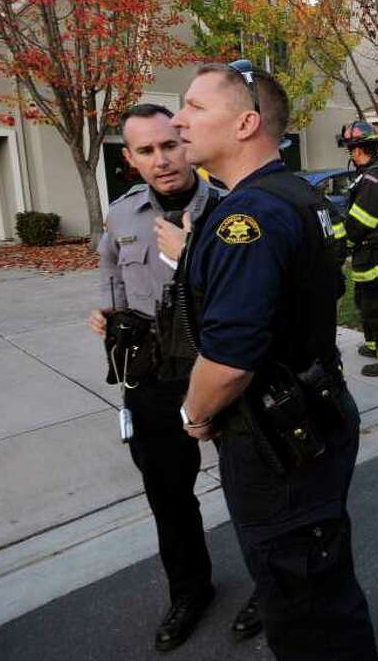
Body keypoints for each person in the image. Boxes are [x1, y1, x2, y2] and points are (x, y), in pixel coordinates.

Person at [171, 60, 378, 660]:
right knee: (323, 587)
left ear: (246, 123)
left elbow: (232, 359)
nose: (181, 120)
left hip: (278, 439)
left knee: (304, 606)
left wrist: (195, 411)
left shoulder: (249, 217)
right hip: (314, 414)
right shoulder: (297, 195)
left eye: (195, 107)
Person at [91, 103, 261, 652]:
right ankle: (191, 590)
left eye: (170, 144)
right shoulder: (121, 215)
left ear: (187, 143)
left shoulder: (231, 210)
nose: (162, 160)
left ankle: (270, 584)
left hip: (219, 365)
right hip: (153, 373)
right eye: (146, 151)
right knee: (167, 492)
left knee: (250, 482)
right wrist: (108, 316)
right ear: (131, 160)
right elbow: (111, 272)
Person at [334, 120, 378, 377]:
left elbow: (361, 222)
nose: (351, 155)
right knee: (366, 303)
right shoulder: (373, 175)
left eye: (351, 149)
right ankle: (376, 345)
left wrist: (340, 243)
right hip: (371, 256)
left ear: (359, 150)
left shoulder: (373, 179)